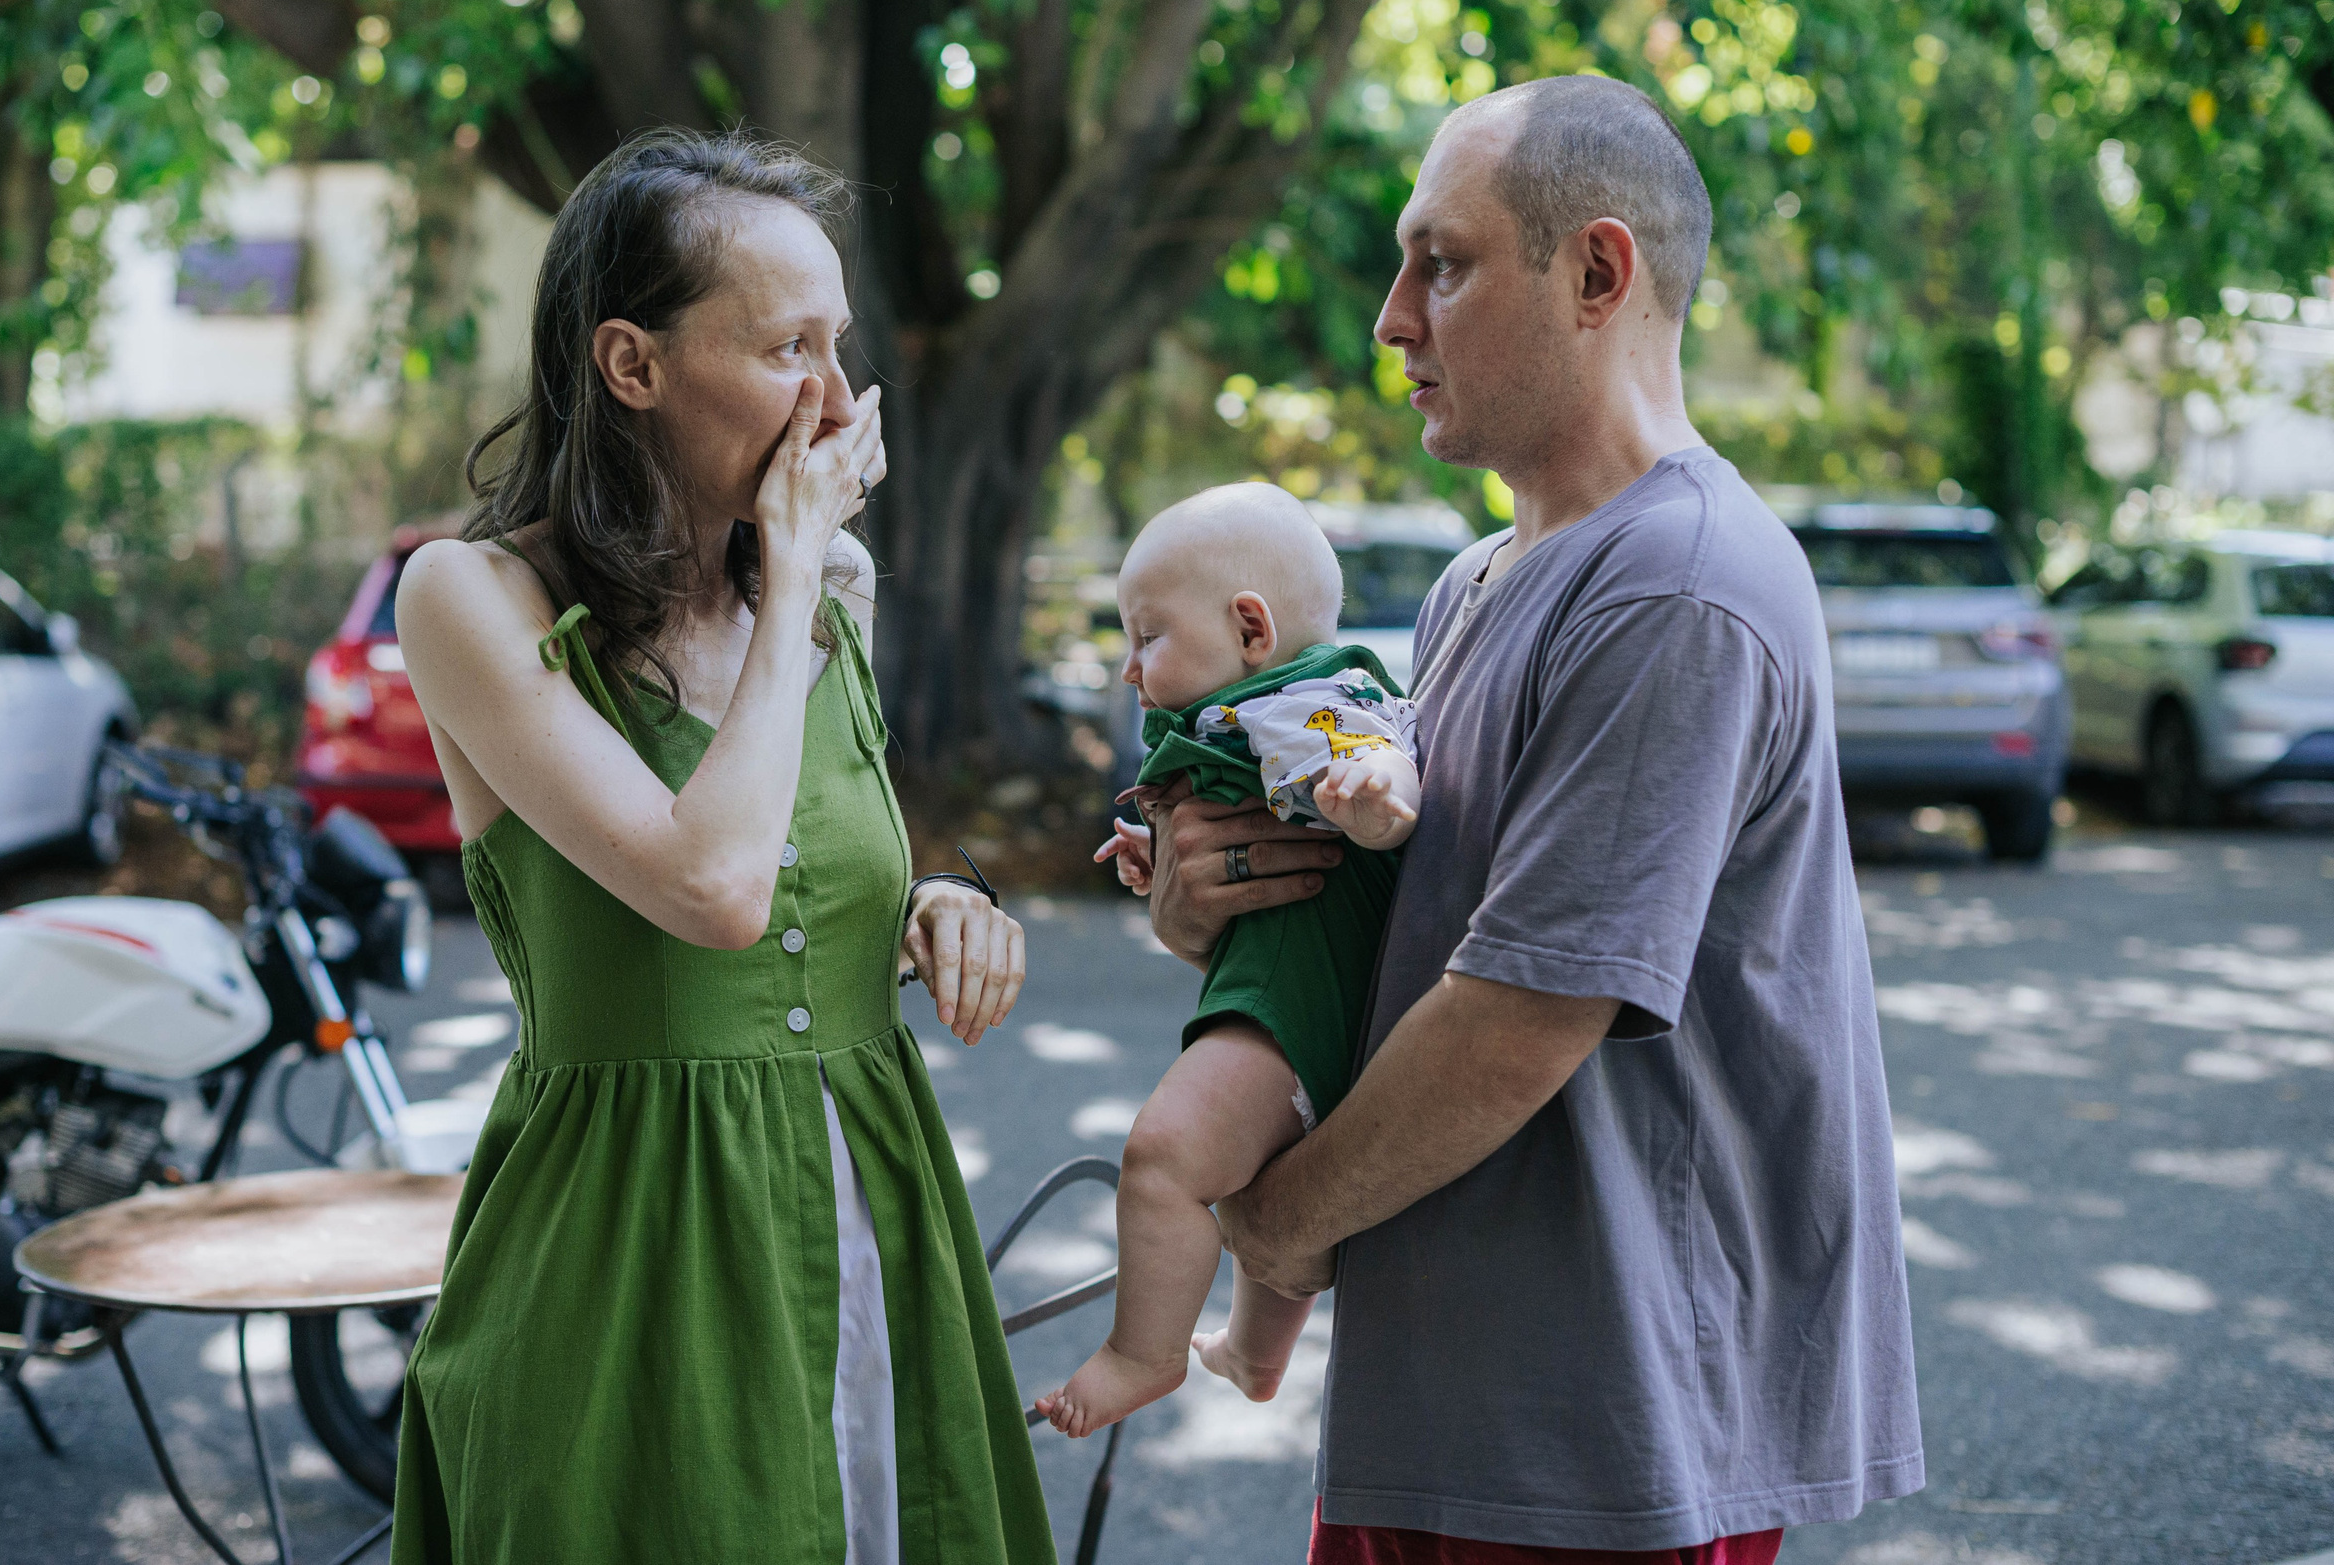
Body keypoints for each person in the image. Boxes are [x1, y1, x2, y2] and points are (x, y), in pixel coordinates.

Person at [1115, 77, 1923, 1562]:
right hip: (1449, 1418)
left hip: (1603, 1448)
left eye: (1443, 262)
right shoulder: (1475, 583)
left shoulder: (1681, 580)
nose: (1388, 318)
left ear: (1598, 275)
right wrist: (1205, 907)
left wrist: (1282, 1226)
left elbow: (1521, 1014)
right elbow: (1400, 943)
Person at [387, 131, 1057, 1565]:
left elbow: (807, 864)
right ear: (631, 364)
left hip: (874, 1229)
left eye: (841, 345)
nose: (833, 400)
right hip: (624, 1267)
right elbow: (714, 887)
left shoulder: (831, 590)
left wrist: (942, 896)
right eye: (785, 348)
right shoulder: (469, 598)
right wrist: (801, 560)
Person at [1037, 484, 1418, 1439]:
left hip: (1297, 1016)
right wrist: (1156, 859)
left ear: (1252, 627)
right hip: (1301, 1008)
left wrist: (1374, 792)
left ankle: (1143, 1351)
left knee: (1163, 1157)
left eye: (1148, 636)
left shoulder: (1300, 700)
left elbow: (1375, 751)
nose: (1129, 668)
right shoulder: (1254, 712)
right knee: (1253, 1171)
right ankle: (1255, 1351)